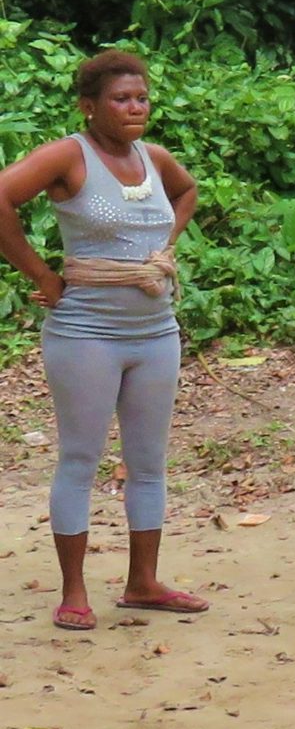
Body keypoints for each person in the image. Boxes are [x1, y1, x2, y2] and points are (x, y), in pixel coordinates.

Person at [0, 50, 204, 630]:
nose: (134, 107)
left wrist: (163, 251)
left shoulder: (154, 159)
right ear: (89, 107)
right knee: (81, 459)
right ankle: (74, 592)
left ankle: (143, 583)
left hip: (155, 333)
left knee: (148, 462)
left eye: (141, 97)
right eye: (120, 98)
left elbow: (187, 193)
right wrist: (42, 276)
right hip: (85, 333)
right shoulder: (69, 156)